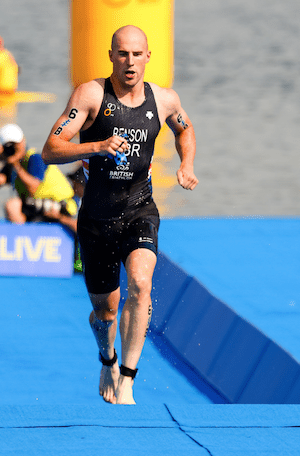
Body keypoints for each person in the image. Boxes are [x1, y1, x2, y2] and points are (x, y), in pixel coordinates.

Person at [41, 25, 198, 404]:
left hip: (140, 208)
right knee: (105, 312)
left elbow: (185, 129)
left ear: (148, 57)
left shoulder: (164, 100)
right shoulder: (91, 95)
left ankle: (128, 376)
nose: (130, 62)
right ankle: (107, 359)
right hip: (96, 217)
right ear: (111, 56)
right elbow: (50, 149)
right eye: (122, 54)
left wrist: (187, 163)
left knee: (142, 284)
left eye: (137, 54)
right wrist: (96, 146)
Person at [0, 124, 78, 228]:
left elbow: (33, 189)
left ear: (23, 141)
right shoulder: (12, 163)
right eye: (8, 146)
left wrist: (15, 165)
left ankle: (22, 236)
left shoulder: (36, 158)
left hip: (62, 206)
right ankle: (23, 235)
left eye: (14, 144)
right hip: (39, 205)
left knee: (13, 205)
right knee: (14, 205)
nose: (12, 149)